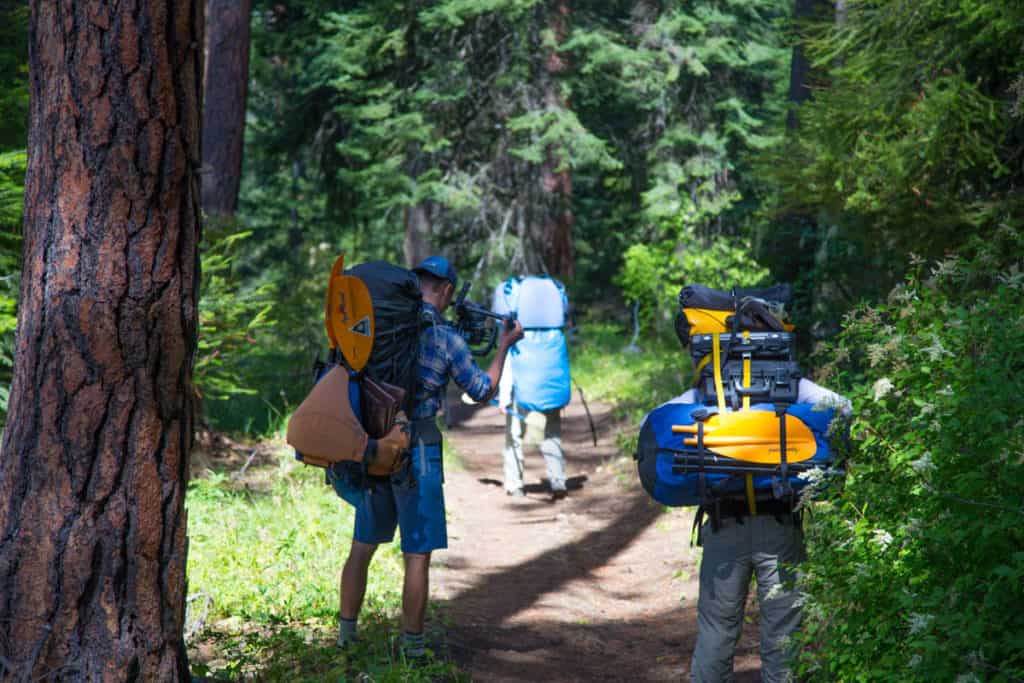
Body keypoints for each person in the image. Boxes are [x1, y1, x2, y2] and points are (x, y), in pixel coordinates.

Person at [337, 256, 524, 657]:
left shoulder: (378, 327)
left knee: (362, 545)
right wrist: (504, 346)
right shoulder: (446, 340)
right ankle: (413, 648)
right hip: (417, 447)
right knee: (416, 553)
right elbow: (481, 390)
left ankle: (345, 638)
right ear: (447, 291)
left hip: (373, 443)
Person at [682, 376, 851, 683]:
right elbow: (843, 408)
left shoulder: (708, 386)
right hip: (780, 524)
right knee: (783, 635)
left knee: (716, 632)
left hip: (725, 523)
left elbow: (652, 424)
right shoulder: (789, 381)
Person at [492, 275, 572, 500]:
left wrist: (503, 396)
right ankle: (558, 481)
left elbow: (508, 359)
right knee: (552, 431)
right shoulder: (555, 329)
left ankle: (515, 483)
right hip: (551, 382)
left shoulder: (514, 325)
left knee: (514, 435)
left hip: (522, 385)